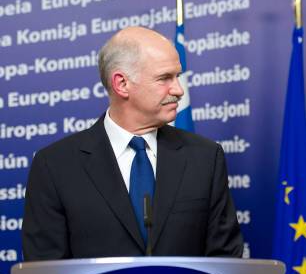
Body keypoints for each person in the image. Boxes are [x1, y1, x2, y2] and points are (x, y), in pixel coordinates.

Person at [22, 26, 243, 260]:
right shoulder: (55, 165)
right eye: (164, 78)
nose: (178, 90)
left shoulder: (205, 157)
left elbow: (225, 260)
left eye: (177, 76)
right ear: (122, 84)